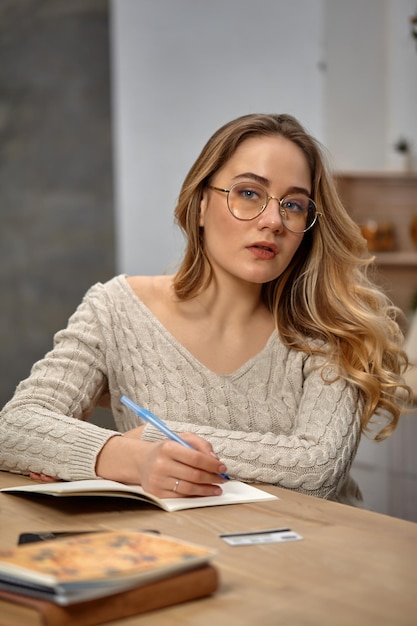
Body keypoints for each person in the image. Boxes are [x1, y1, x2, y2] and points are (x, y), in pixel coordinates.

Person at [0, 113, 411, 506]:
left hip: (319, 557)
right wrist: (127, 459)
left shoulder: (329, 326)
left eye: (293, 204)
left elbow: (318, 468)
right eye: (249, 193)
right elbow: (15, 427)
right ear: (199, 205)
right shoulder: (116, 309)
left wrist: (150, 441)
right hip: (182, 548)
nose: (273, 221)